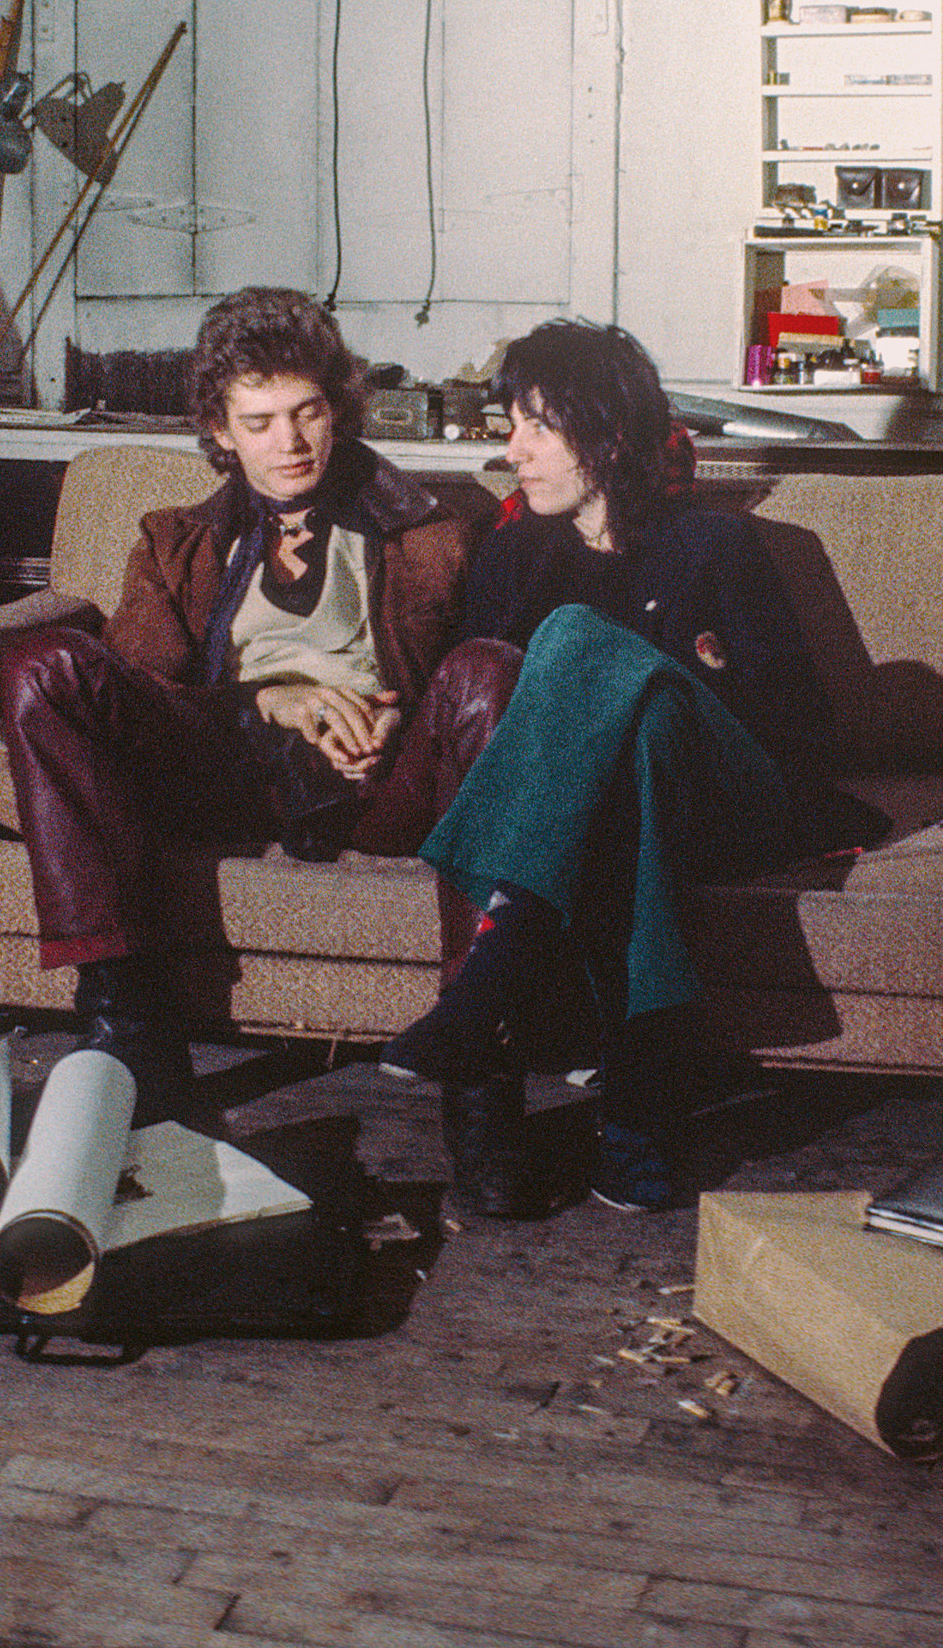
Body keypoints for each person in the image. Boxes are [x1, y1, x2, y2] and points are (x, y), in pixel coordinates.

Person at [0, 287, 519, 1124]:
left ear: (337, 411)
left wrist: (396, 721)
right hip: (224, 774)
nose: (291, 443)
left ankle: (480, 1055)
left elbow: (476, 690)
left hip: (379, 780)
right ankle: (127, 1021)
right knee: (39, 663)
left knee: (492, 668)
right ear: (220, 432)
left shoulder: (435, 530)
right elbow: (147, 699)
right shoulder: (174, 542)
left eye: (307, 413)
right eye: (261, 421)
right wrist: (271, 700)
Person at [380, 319, 860, 1214]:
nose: (511, 448)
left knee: (578, 645)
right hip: (608, 817)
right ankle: (639, 1101)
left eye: (536, 426)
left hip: (731, 794)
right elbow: (491, 730)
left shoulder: (718, 546)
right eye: (510, 423)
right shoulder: (515, 553)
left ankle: (497, 965)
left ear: (603, 438)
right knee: (622, 761)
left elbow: (801, 732)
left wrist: (671, 681)